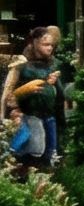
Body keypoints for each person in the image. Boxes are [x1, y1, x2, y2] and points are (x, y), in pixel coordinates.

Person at [3, 26, 63, 167]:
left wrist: (52, 83)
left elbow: (58, 93)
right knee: (33, 145)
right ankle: (13, 161)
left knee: (51, 148)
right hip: (29, 114)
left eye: (52, 45)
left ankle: (47, 170)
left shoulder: (52, 63)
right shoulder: (23, 64)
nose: (50, 48)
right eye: (46, 44)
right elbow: (11, 92)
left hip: (48, 113)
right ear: (35, 43)